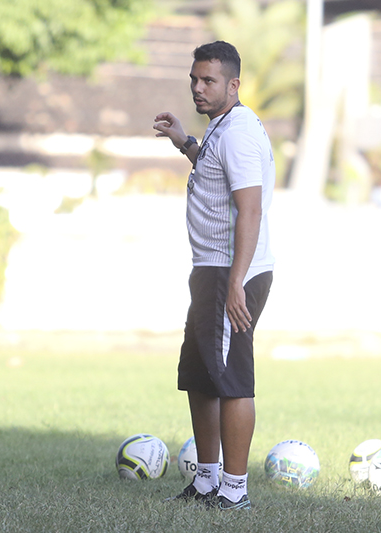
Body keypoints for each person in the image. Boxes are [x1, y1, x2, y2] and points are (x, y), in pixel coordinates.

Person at [153, 41, 274, 511]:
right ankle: (206, 481)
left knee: (232, 379)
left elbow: (250, 210)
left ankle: (235, 491)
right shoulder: (223, 129)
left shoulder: (240, 132)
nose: (198, 88)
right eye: (194, 79)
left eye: (209, 81)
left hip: (230, 272)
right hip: (211, 270)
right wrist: (185, 142)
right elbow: (212, 171)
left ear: (233, 85)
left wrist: (235, 283)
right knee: (201, 377)